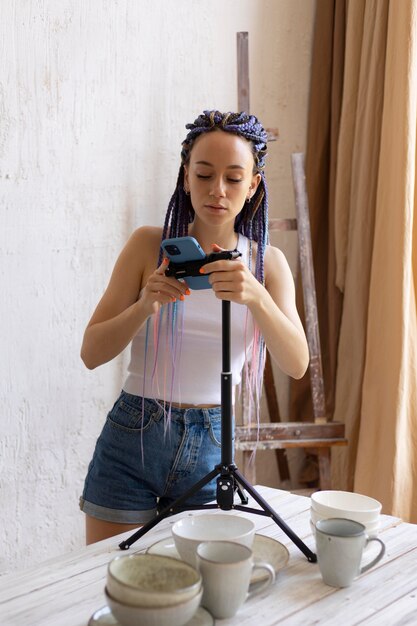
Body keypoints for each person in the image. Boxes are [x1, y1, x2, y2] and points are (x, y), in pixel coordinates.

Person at [79, 110, 309, 544]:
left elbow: (297, 364)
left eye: (233, 178)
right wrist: (144, 305)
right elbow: (91, 352)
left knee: (200, 586)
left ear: (254, 185)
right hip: (133, 437)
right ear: (186, 177)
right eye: (203, 175)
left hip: (212, 444)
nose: (217, 190)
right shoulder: (148, 245)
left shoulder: (267, 265)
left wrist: (255, 296)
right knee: (108, 579)